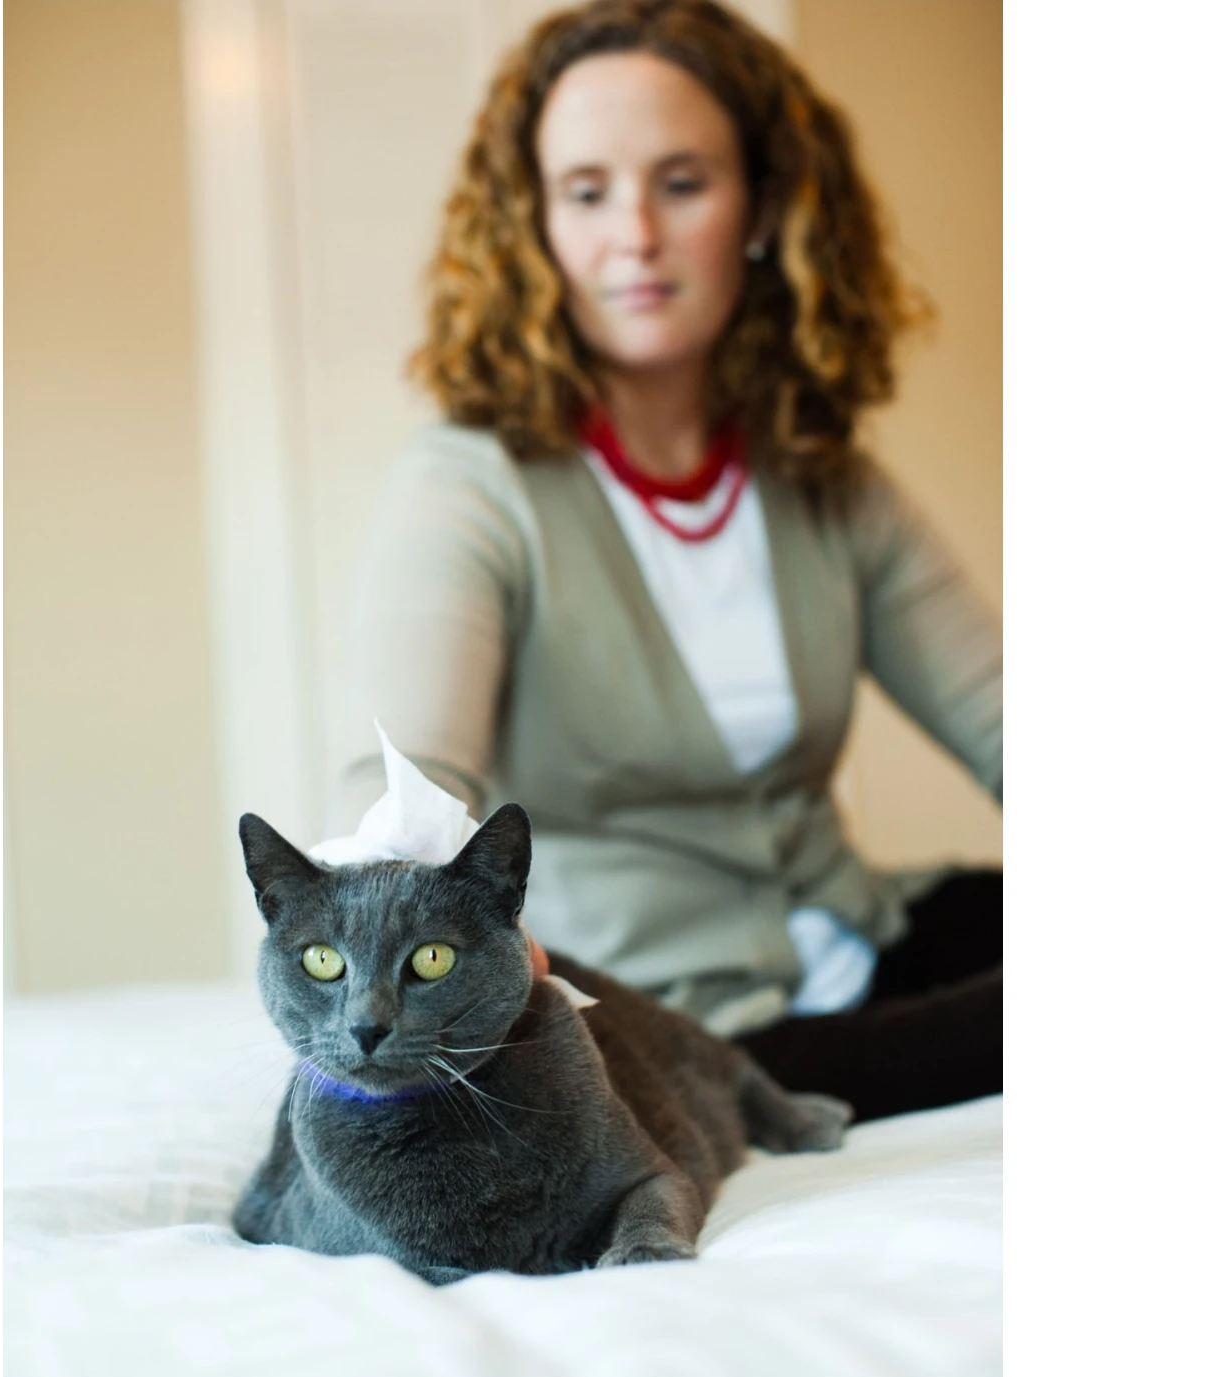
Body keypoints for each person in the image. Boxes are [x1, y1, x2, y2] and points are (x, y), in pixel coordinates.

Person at [325, 0, 1001, 1123]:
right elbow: (407, 780)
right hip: (675, 1025)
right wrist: (393, 903)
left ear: (762, 208)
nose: (634, 234)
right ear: (534, 224)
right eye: (586, 192)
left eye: (681, 184)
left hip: (857, 938)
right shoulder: (469, 485)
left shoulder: (822, 475)